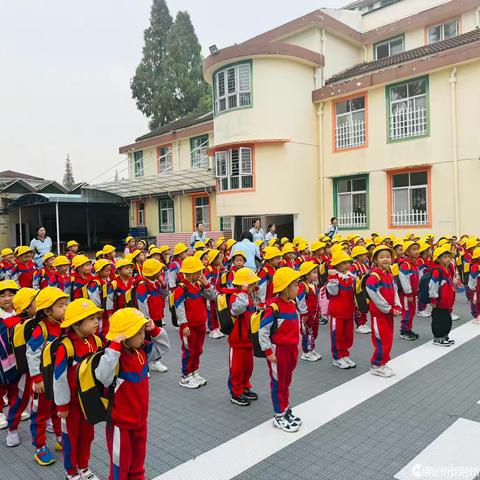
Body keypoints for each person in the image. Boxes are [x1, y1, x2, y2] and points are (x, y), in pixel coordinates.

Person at [95, 308, 169, 480]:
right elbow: (102, 376)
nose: (143, 336)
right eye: (139, 332)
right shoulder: (114, 357)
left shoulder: (141, 351)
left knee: (137, 465)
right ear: (125, 337)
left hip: (140, 421)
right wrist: (114, 346)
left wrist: (154, 329)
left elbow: (164, 347)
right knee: (120, 466)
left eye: (143, 331)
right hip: (121, 425)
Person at [53, 299, 103, 480]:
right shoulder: (66, 346)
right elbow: (58, 379)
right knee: (70, 438)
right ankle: (71, 471)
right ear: (75, 324)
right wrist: (62, 405)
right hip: (72, 404)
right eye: (90, 319)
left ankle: (84, 466)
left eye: (96, 317)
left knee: (87, 436)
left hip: (88, 402)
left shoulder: (96, 341)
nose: (96, 321)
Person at [27, 287, 68, 465]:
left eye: (65, 304)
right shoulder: (41, 329)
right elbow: (32, 353)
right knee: (40, 414)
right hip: (42, 381)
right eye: (61, 306)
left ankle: (59, 437)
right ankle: (40, 446)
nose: (65, 308)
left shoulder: (63, 325)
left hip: (56, 379)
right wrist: (37, 378)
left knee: (57, 409)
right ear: (47, 310)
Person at [259, 267, 302, 433]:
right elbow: (263, 331)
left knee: (286, 381)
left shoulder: (291, 304)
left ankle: (285, 409)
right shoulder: (273, 308)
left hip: (291, 350)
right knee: (278, 383)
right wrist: (268, 352)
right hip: (279, 352)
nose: (298, 288)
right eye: (296, 285)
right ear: (285, 288)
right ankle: (279, 415)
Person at [173, 257, 216, 389]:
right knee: (188, 351)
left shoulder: (200, 285)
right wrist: (184, 324)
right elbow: (179, 308)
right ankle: (185, 376)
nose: (200, 274)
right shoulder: (182, 288)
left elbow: (212, 296)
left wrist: (207, 284)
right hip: (189, 327)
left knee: (198, 350)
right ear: (190, 273)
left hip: (200, 325)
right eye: (198, 272)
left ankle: (194, 371)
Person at [4, 287, 37, 446]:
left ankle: (49, 422)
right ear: (26, 307)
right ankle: (12, 428)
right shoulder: (12, 323)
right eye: (35, 301)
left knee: (46, 400)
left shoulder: (41, 320)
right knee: (20, 399)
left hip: (42, 369)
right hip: (24, 370)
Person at [366, 246, 402, 378]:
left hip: (388, 314)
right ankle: (376, 365)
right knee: (381, 341)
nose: (386, 259)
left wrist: (397, 306)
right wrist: (389, 309)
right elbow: (376, 298)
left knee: (388, 340)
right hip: (379, 315)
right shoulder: (374, 277)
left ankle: (382, 362)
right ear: (375, 260)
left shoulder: (388, 274)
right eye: (382, 257)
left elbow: (395, 291)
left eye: (388, 256)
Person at [227, 268, 259, 406]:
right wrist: (244, 292)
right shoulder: (237, 297)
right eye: (251, 284)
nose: (254, 286)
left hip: (248, 339)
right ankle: (236, 392)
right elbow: (237, 309)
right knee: (237, 368)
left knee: (248, 366)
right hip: (237, 340)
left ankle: (245, 386)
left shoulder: (248, 297)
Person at [134, 258, 169, 373]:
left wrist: (163, 284)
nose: (161, 273)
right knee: (145, 342)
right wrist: (146, 320)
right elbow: (142, 304)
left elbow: (165, 295)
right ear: (152, 272)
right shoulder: (143, 286)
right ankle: (144, 366)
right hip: (148, 320)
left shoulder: (157, 283)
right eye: (159, 271)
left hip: (158, 317)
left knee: (156, 340)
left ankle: (155, 361)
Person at [327, 251, 356, 369]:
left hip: (349, 311)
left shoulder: (350, 276)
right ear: (336, 265)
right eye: (343, 263)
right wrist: (333, 278)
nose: (347, 265)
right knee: (337, 335)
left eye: (348, 262)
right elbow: (333, 292)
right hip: (337, 313)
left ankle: (344, 354)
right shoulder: (334, 277)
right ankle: (337, 357)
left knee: (348, 335)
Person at [429, 245, 456, 345]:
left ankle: (444, 336)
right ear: (438, 259)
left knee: (446, 320)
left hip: (446, 302)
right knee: (439, 320)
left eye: (448, 256)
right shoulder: (437, 271)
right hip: (439, 302)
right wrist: (433, 299)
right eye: (445, 257)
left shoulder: (446, 270)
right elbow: (433, 286)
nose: (448, 259)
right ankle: (438, 338)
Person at [297, 261, 321, 362]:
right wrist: (304, 312)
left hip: (314, 314)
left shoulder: (314, 285)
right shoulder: (303, 286)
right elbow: (300, 300)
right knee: (307, 332)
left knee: (314, 332)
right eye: (314, 272)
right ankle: (306, 352)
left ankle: (311, 348)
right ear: (307, 275)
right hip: (307, 314)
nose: (317, 275)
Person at [398, 241, 420, 340]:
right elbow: (404, 279)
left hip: (413, 293)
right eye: (413, 249)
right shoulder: (405, 265)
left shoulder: (414, 264)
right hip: (406, 295)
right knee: (407, 312)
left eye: (417, 249)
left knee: (411, 311)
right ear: (407, 252)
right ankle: (404, 331)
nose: (416, 251)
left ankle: (408, 329)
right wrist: (408, 293)